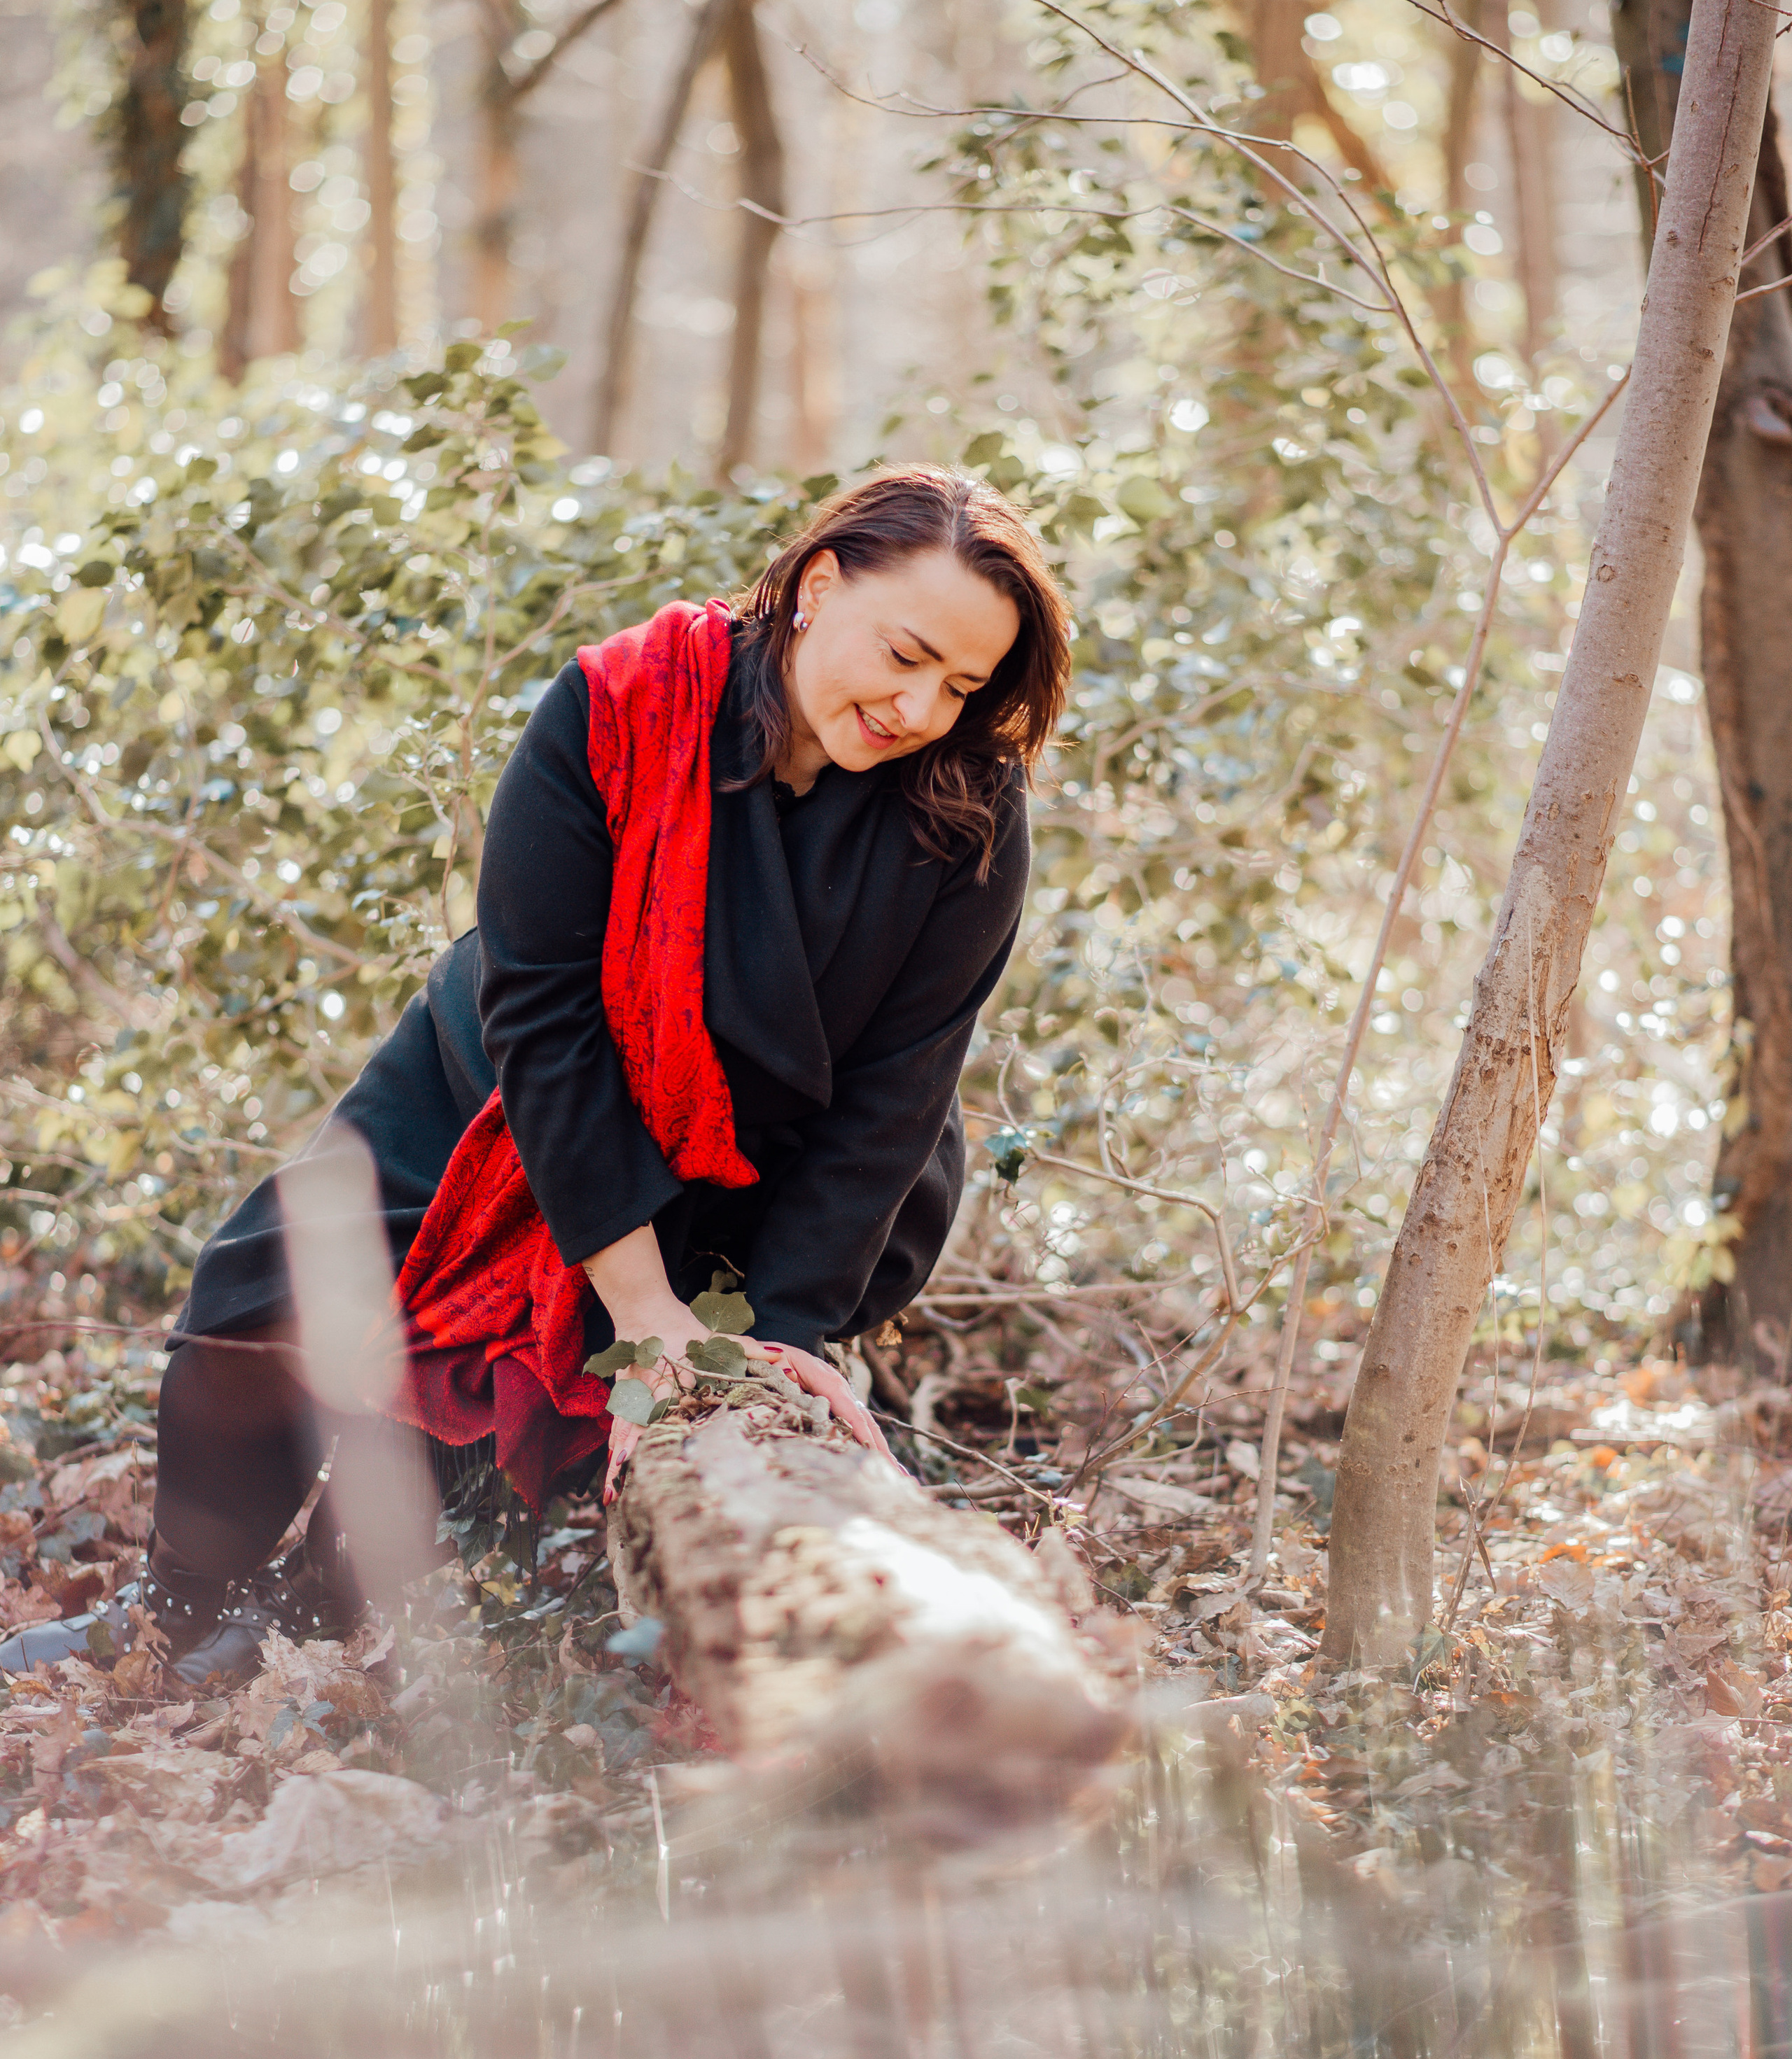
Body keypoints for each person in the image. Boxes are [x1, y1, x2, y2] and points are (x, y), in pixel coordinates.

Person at [2, 464, 1072, 1685]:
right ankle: (178, 1606)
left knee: (517, 1374)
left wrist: (762, 1341)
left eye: (962, 685)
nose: (921, 705)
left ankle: (302, 1620)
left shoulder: (968, 808)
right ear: (821, 585)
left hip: (790, 1171)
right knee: (273, 1298)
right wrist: (639, 1297)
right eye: (907, 652)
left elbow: (902, 1087)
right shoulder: (620, 703)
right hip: (508, 1085)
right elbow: (546, 1011)